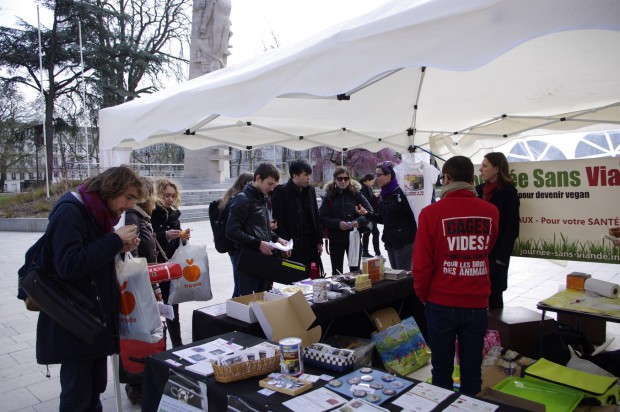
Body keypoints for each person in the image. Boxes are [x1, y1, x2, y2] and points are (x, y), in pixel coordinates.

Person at [35, 165, 146, 412]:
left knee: (93, 389)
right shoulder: (70, 211)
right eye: (128, 197)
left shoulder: (97, 213)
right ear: (111, 189)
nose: (130, 205)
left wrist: (117, 247)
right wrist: (114, 240)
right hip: (75, 321)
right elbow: (68, 265)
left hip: (92, 320)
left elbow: (90, 258)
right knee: (78, 395)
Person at [413, 156, 499, 395]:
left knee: (441, 370)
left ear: (447, 179)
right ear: (473, 179)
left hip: (441, 301)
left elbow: (421, 264)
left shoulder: (431, 214)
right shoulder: (490, 211)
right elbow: (486, 249)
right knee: (472, 371)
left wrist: (423, 295)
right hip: (477, 301)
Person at [123, 176, 162, 404]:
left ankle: (142, 377)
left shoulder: (141, 217)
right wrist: (150, 285)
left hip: (146, 281)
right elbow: (135, 256)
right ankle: (136, 382)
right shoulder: (133, 217)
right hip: (139, 285)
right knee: (140, 333)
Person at [226, 163, 289, 295]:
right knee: (247, 301)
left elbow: (261, 228)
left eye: (274, 185)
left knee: (261, 298)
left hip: (260, 259)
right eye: (269, 184)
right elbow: (231, 231)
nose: (272, 189)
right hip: (247, 259)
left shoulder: (261, 197)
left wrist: (278, 239)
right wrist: (259, 244)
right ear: (258, 178)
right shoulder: (243, 199)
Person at [476, 152, 520, 309]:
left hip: (496, 257)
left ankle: (496, 332)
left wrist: (500, 259)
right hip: (478, 253)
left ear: (496, 169)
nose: (480, 169)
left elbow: (511, 229)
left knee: (494, 297)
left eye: (485, 165)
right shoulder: (479, 191)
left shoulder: (508, 194)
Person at [151, 178, 191, 348]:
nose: (170, 199)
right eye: (166, 195)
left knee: (173, 308)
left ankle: (178, 345)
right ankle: (159, 345)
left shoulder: (174, 213)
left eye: (173, 196)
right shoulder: (152, 213)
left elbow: (177, 241)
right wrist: (166, 235)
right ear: (158, 194)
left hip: (172, 265)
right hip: (156, 267)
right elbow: (149, 238)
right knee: (157, 310)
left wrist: (183, 237)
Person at [272, 160, 324, 275]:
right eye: (305, 175)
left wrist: (319, 241)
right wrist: (283, 247)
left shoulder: (310, 190)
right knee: (295, 280)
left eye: (309, 175)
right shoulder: (281, 191)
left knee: (313, 278)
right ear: (294, 175)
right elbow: (278, 221)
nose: (308, 178)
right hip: (291, 246)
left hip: (310, 244)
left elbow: (315, 216)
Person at [319, 166, 372, 275]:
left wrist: (358, 222)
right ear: (335, 179)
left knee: (355, 271)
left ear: (350, 179)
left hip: (354, 238)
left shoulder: (357, 194)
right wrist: (338, 223)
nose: (343, 181)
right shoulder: (329, 196)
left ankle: (357, 292)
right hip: (335, 239)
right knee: (336, 272)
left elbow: (369, 212)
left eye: (346, 178)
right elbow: (321, 217)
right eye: (339, 178)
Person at [368, 161, 417, 270]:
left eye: (379, 175)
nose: (376, 178)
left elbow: (412, 216)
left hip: (403, 242)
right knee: (396, 276)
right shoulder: (384, 195)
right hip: (390, 242)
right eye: (376, 175)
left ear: (389, 176)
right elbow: (383, 219)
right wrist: (367, 214)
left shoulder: (400, 193)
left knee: (403, 277)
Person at [211, 172, 253, 297]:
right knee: (240, 284)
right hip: (236, 245)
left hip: (230, 245)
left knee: (238, 280)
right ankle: (234, 307)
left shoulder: (228, 198)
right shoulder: (238, 200)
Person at [359, 173, 381, 258]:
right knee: (373, 232)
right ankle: (376, 252)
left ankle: (367, 251)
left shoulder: (367, 187)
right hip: (366, 214)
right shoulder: (362, 188)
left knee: (368, 233)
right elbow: (366, 202)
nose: (373, 183)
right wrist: (375, 196)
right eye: (372, 181)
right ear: (367, 180)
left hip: (370, 213)